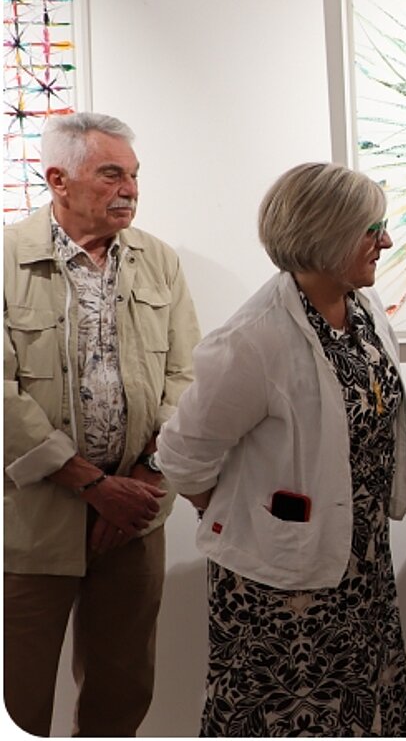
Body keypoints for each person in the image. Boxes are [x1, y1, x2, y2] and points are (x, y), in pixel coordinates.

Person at [155, 162, 406, 735]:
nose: (387, 241)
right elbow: (179, 455)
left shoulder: (365, 313)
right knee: (283, 717)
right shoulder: (255, 339)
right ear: (327, 235)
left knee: (360, 710)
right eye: (374, 228)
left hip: (362, 568)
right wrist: (237, 513)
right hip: (277, 587)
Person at [4, 112, 201, 736]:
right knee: (18, 694)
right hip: (30, 518)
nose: (131, 189)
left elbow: (188, 377)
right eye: (112, 173)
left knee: (122, 690)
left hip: (137, 515)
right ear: (58, 179)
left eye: (135, 176)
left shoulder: (158, 262)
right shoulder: (7, 259)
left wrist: (144, 478)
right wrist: (91, 484)